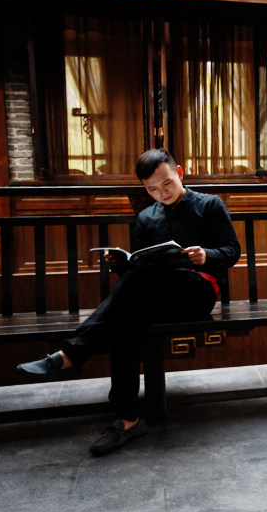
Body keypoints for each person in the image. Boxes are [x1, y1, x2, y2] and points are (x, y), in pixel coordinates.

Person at [17, 149, 241, 455]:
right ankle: (128, 419)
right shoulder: (147, 217)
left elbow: (232, 251)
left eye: (166, 184)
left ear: (180, 172)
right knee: (125, 320)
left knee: (133, 294)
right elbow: (139, 266)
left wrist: (207, 255)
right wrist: (120, 263)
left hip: (196, 294)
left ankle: (71, 353)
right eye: (151, 189)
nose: (161, 193)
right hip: (155, 295)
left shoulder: (209, 205)